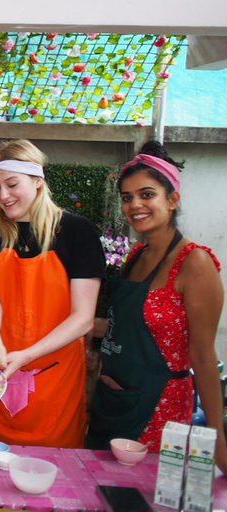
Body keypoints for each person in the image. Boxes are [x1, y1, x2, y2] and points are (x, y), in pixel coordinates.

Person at [86, 142, 227, 473]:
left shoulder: (195, 262)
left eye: (146, 194)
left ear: (172, 199)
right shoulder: (135, 257)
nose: (135, 204)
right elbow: (128, 327)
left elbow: (204, 356)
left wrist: (217, 437)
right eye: (127, 197)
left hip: (159, 407)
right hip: (113, 403)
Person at [0, 139, 104, 448]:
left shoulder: (77, 233)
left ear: (38, 181)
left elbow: (82, 319)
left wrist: (27, 356)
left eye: (12, 184)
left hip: (54, 378)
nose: (3, 196)